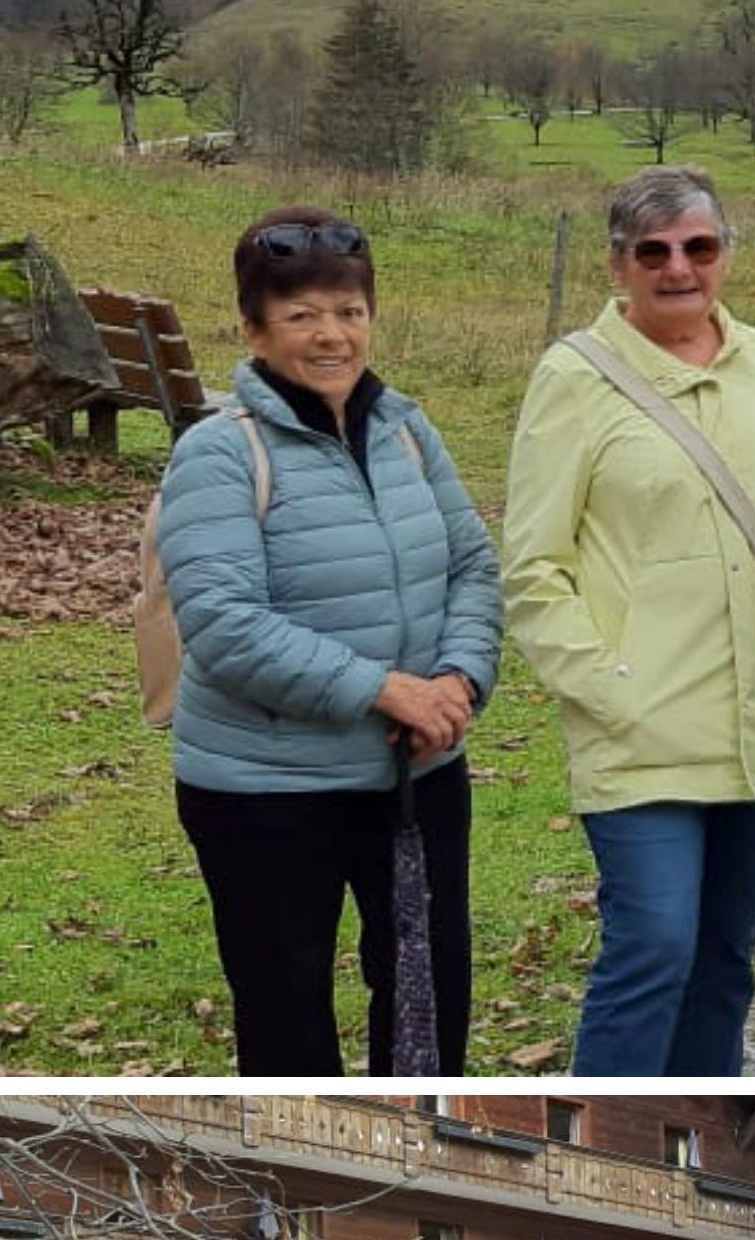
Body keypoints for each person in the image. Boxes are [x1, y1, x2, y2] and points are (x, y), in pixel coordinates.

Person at [505, 164, 755, 1077]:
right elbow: (534, 568)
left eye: (698, 247)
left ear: (725, 253)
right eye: (652, 252)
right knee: (653, 948)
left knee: (726, 960)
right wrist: (610, 689)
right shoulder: (575, 380)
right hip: (644, 731)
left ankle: (697, 1122)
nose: (677, 270)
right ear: (619, 265)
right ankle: (606, 1138)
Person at [157, 207, 500, 1078]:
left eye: (348, 312)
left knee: (429, 997)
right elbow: (224, 626)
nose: (330, 335)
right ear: (255, 329)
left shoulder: (406, 430)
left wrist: (459, 678)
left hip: (413, 777)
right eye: (302, 314)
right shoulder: (218, 455)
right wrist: (386, 689)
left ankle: (414, 1164)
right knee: (286, 1016)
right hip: (266, 794)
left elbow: (472, 564)